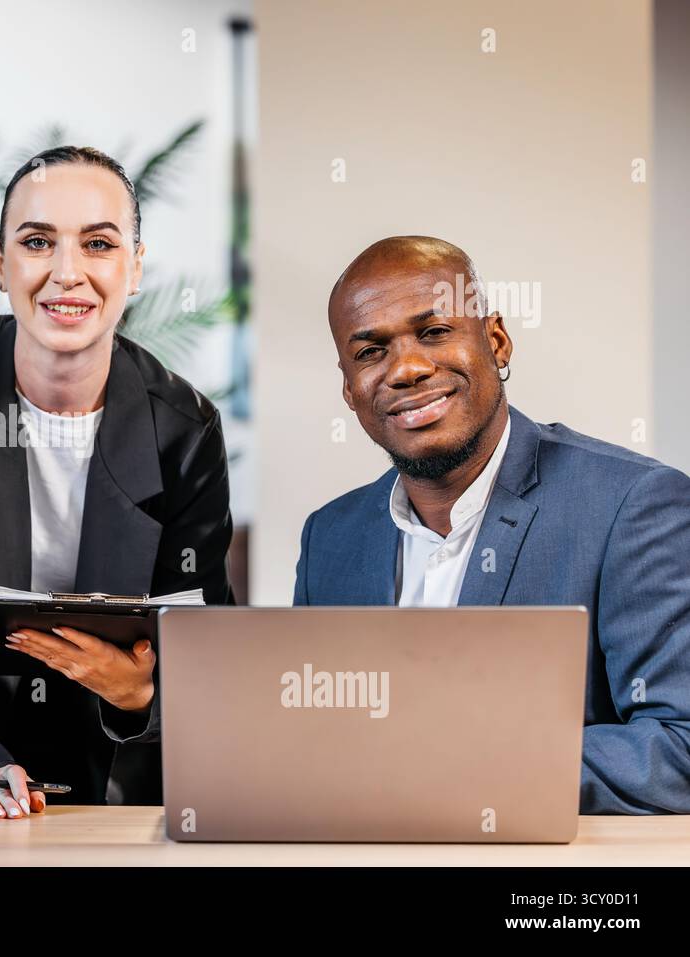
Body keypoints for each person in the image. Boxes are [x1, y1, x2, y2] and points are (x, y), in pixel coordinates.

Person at [0, 146, 234, 821]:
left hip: (117, 777)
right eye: (37, 242)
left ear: (134, 268)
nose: (67, 273)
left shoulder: (185, 428)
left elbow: (202, 636)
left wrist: (139, 696)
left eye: (98, 244)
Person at [294, 235, 690, 813]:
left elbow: (678, 747)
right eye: (371, 352)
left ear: (497, 341)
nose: (406, 369)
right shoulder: (330, 537)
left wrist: (458, 769)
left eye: (434, 332)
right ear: (349, 388)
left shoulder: (633, 505)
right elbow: (312, 740)